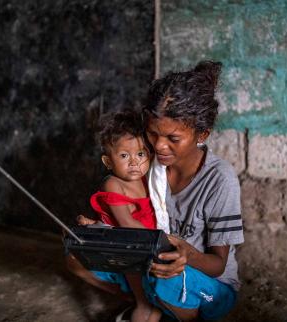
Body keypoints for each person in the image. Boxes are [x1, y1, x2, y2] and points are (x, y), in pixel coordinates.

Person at [67, 61, 244, 322]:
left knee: (166, 276)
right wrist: (103, 232)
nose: (159, 146)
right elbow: (128, 215)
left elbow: (217, 265)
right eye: (152, 134)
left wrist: (187, 254)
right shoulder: (147, 164)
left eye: (173, 138)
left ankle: (174, 311)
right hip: (151, 263)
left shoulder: (219, 180)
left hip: (208, 285)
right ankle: (147, 304)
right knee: (76, 256)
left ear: (202, 134)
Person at [69, 109, 162, 322]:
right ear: (108, 162)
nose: (134, 162)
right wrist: (160, 241)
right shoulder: (114, 184)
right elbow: (126, 223)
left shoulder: (149, 179)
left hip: (149, 242)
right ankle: (141, 306)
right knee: (143, 300)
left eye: (140, 154)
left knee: (156, 290)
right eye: (124, 155)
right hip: (131, 246)